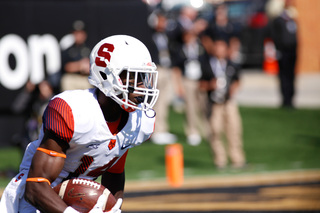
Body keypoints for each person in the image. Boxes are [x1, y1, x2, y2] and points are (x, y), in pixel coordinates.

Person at [0, 35, 159, 213]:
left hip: (78, 201)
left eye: (143, 78)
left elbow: (114, 171)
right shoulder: (72, 110)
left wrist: (113, 207)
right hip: (31, 203)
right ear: (106, 76)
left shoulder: (140, 120)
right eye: (131, 77)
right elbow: (35, 188)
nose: (142, 88)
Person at [199, 36, 245, 169]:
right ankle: (220, 160)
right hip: (214, 103)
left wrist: (232, 89)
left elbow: (238, 80)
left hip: (228, 102)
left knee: (234, 130)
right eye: (217, 47)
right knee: (215, 131)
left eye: (222, 47)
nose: (219, 50)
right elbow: (200, 85)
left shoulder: (231, 64)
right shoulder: (206, 64)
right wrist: (210, 85)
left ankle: (238, 160)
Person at [148, 9, 177, 145]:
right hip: (156, 69)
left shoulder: (166, 36)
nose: (163, 23)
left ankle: (162, 129)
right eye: (161, 20)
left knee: (164, 101)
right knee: (155, 102)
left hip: (166, 68)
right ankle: (154, 131)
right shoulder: (148, 35)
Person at [270, 0, 298, 108]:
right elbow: (275, 36)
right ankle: (285, 100)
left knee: (291, 76)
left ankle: (291, 99)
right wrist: (279, 50)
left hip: (292, 51)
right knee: (284, 76)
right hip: (283, 52)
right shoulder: (278, 20)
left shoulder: (292, 19)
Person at [60, 20, 92, 92]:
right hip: (73, 78)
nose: (78, 36)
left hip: (86, 78)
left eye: (80, 33)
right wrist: (80, 65)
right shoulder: (68, 49)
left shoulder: (90, 48)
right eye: (76, 33)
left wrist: (88, 66)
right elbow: (65, 67)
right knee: (66, 80)